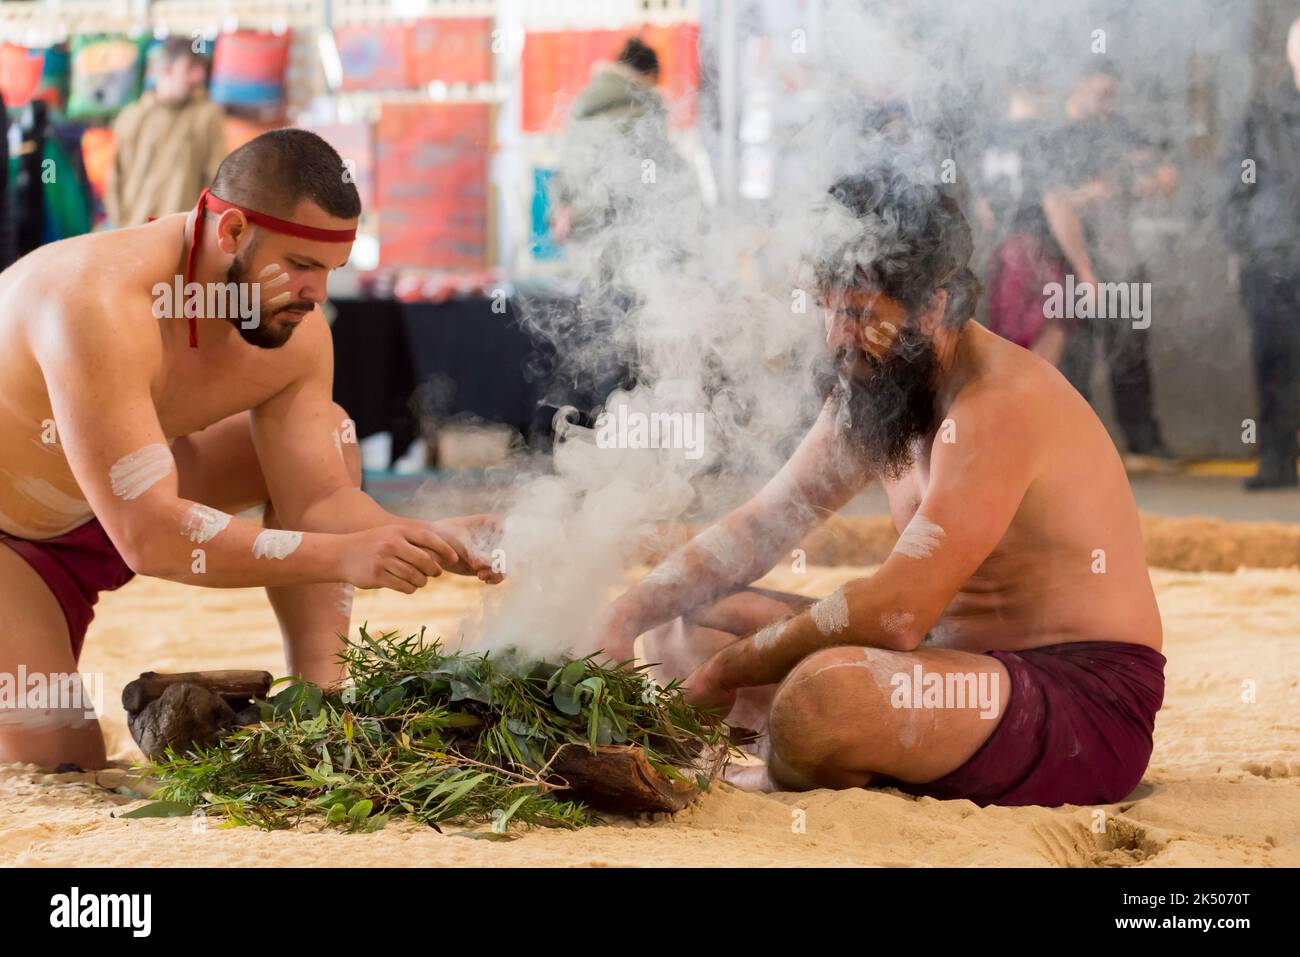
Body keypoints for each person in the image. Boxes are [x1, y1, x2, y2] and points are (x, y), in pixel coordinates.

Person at [590, 168, 1165, 807]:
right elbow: (762, 525)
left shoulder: (1001, 403)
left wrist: (727, 672)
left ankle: (788, 757)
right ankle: (806, 748)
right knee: (677, 629)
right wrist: (624, 613)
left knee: (825, 696)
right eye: (828, 310)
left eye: (861, 315)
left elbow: (895, 612)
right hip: (939, 665)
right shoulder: (878, 380)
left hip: (1079, 701)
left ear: (935, 305)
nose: (838, 336)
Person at [0, 129, 502, 770]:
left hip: (117, 495)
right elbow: (150, 536)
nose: (317, 294)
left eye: (329, 270)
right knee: (62, 765)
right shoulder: (93, 301)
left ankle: (323, 705)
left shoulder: (296, 331)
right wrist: (348, 554)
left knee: (333, 430)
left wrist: (421, 535)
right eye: (300, 265)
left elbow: (319, 499)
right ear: (232, 231)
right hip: (19, 538)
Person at [1041, 61, 1178, 462]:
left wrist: (1145, 183)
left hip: (1120, 259)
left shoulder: (1118, 129)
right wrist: (1085, 270)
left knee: (1131, 354)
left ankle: (1144, 442)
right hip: (1067, 263)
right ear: (1079, 87)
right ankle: (1075, 451)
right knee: (1074, 362)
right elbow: (1055, 203)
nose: (1108, 102)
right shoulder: (1056, 136)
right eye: (1102, 94)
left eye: (1112, 94)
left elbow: (1167, 176)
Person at [1224, 16, 1300, 491]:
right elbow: (1234, 188)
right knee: (1275, 360)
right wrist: (1241, 248)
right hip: (1273, 260)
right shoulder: (1262, 115)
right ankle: (1276, 458)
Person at [107, 36, 228, 227]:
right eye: (190, 68)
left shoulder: (207, 116)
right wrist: (120, 227)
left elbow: (217, 181)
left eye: (201, 68)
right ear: (166, 70)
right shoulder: (132, 116)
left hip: (181, 237)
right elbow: (115, 179)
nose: (199, 77)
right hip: (134, 231)